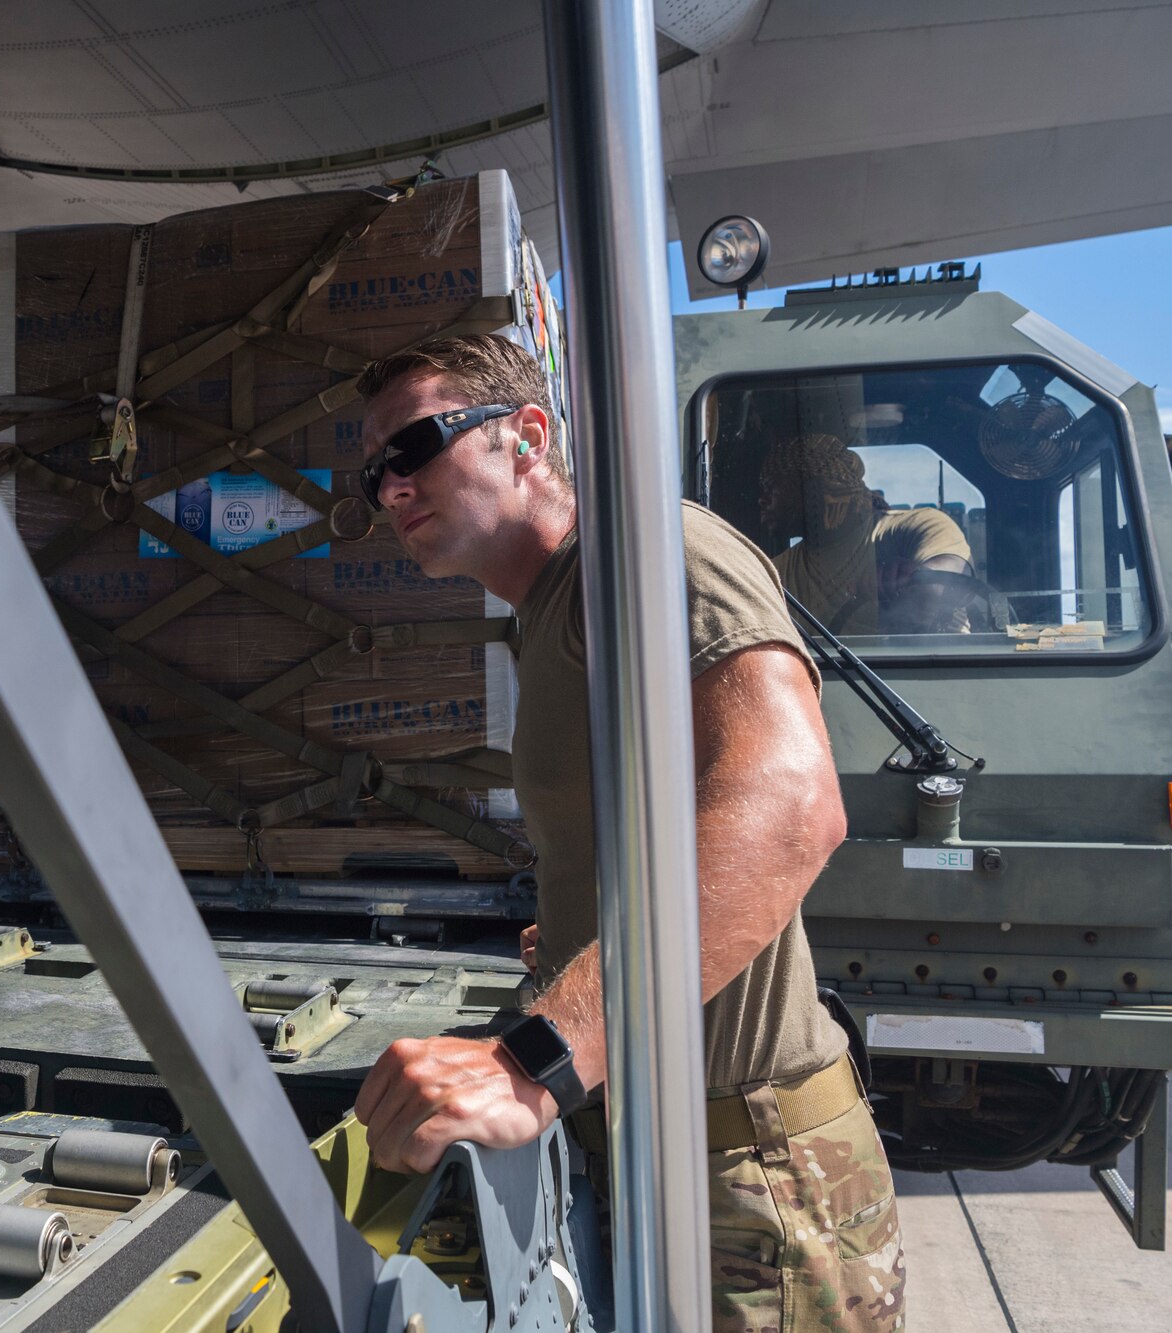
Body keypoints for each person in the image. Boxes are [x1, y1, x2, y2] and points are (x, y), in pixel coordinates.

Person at [350, 335, 904, 1329]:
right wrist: (574, 943)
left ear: (524, 436)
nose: (390, 488)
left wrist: (532, 1058)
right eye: (371, 473)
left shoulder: (649, 557)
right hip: (660, 1150)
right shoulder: (552, 609)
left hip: (746, 1175)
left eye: (414, 446)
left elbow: (790, 809)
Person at [759, 432, 975, 635]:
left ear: (814, 490)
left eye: (771, 487)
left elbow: (952, 573)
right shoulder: (774, 573)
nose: (762, 500)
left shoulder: (914, 527)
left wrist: (914, 577)